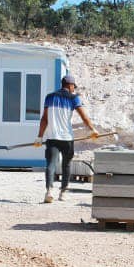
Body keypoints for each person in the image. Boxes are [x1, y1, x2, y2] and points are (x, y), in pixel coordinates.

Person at [35, 74, 99, 203]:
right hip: (67, 138)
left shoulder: (50, 97)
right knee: (66, 165)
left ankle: (49, 191)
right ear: (69, 85)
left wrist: (39, 136)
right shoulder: (73, 98)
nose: (74, 89)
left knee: (50, 164)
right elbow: (84, 117)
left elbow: (44, 119)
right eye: (73, 87)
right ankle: (63, 192)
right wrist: (92, 129)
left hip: (52, 138)